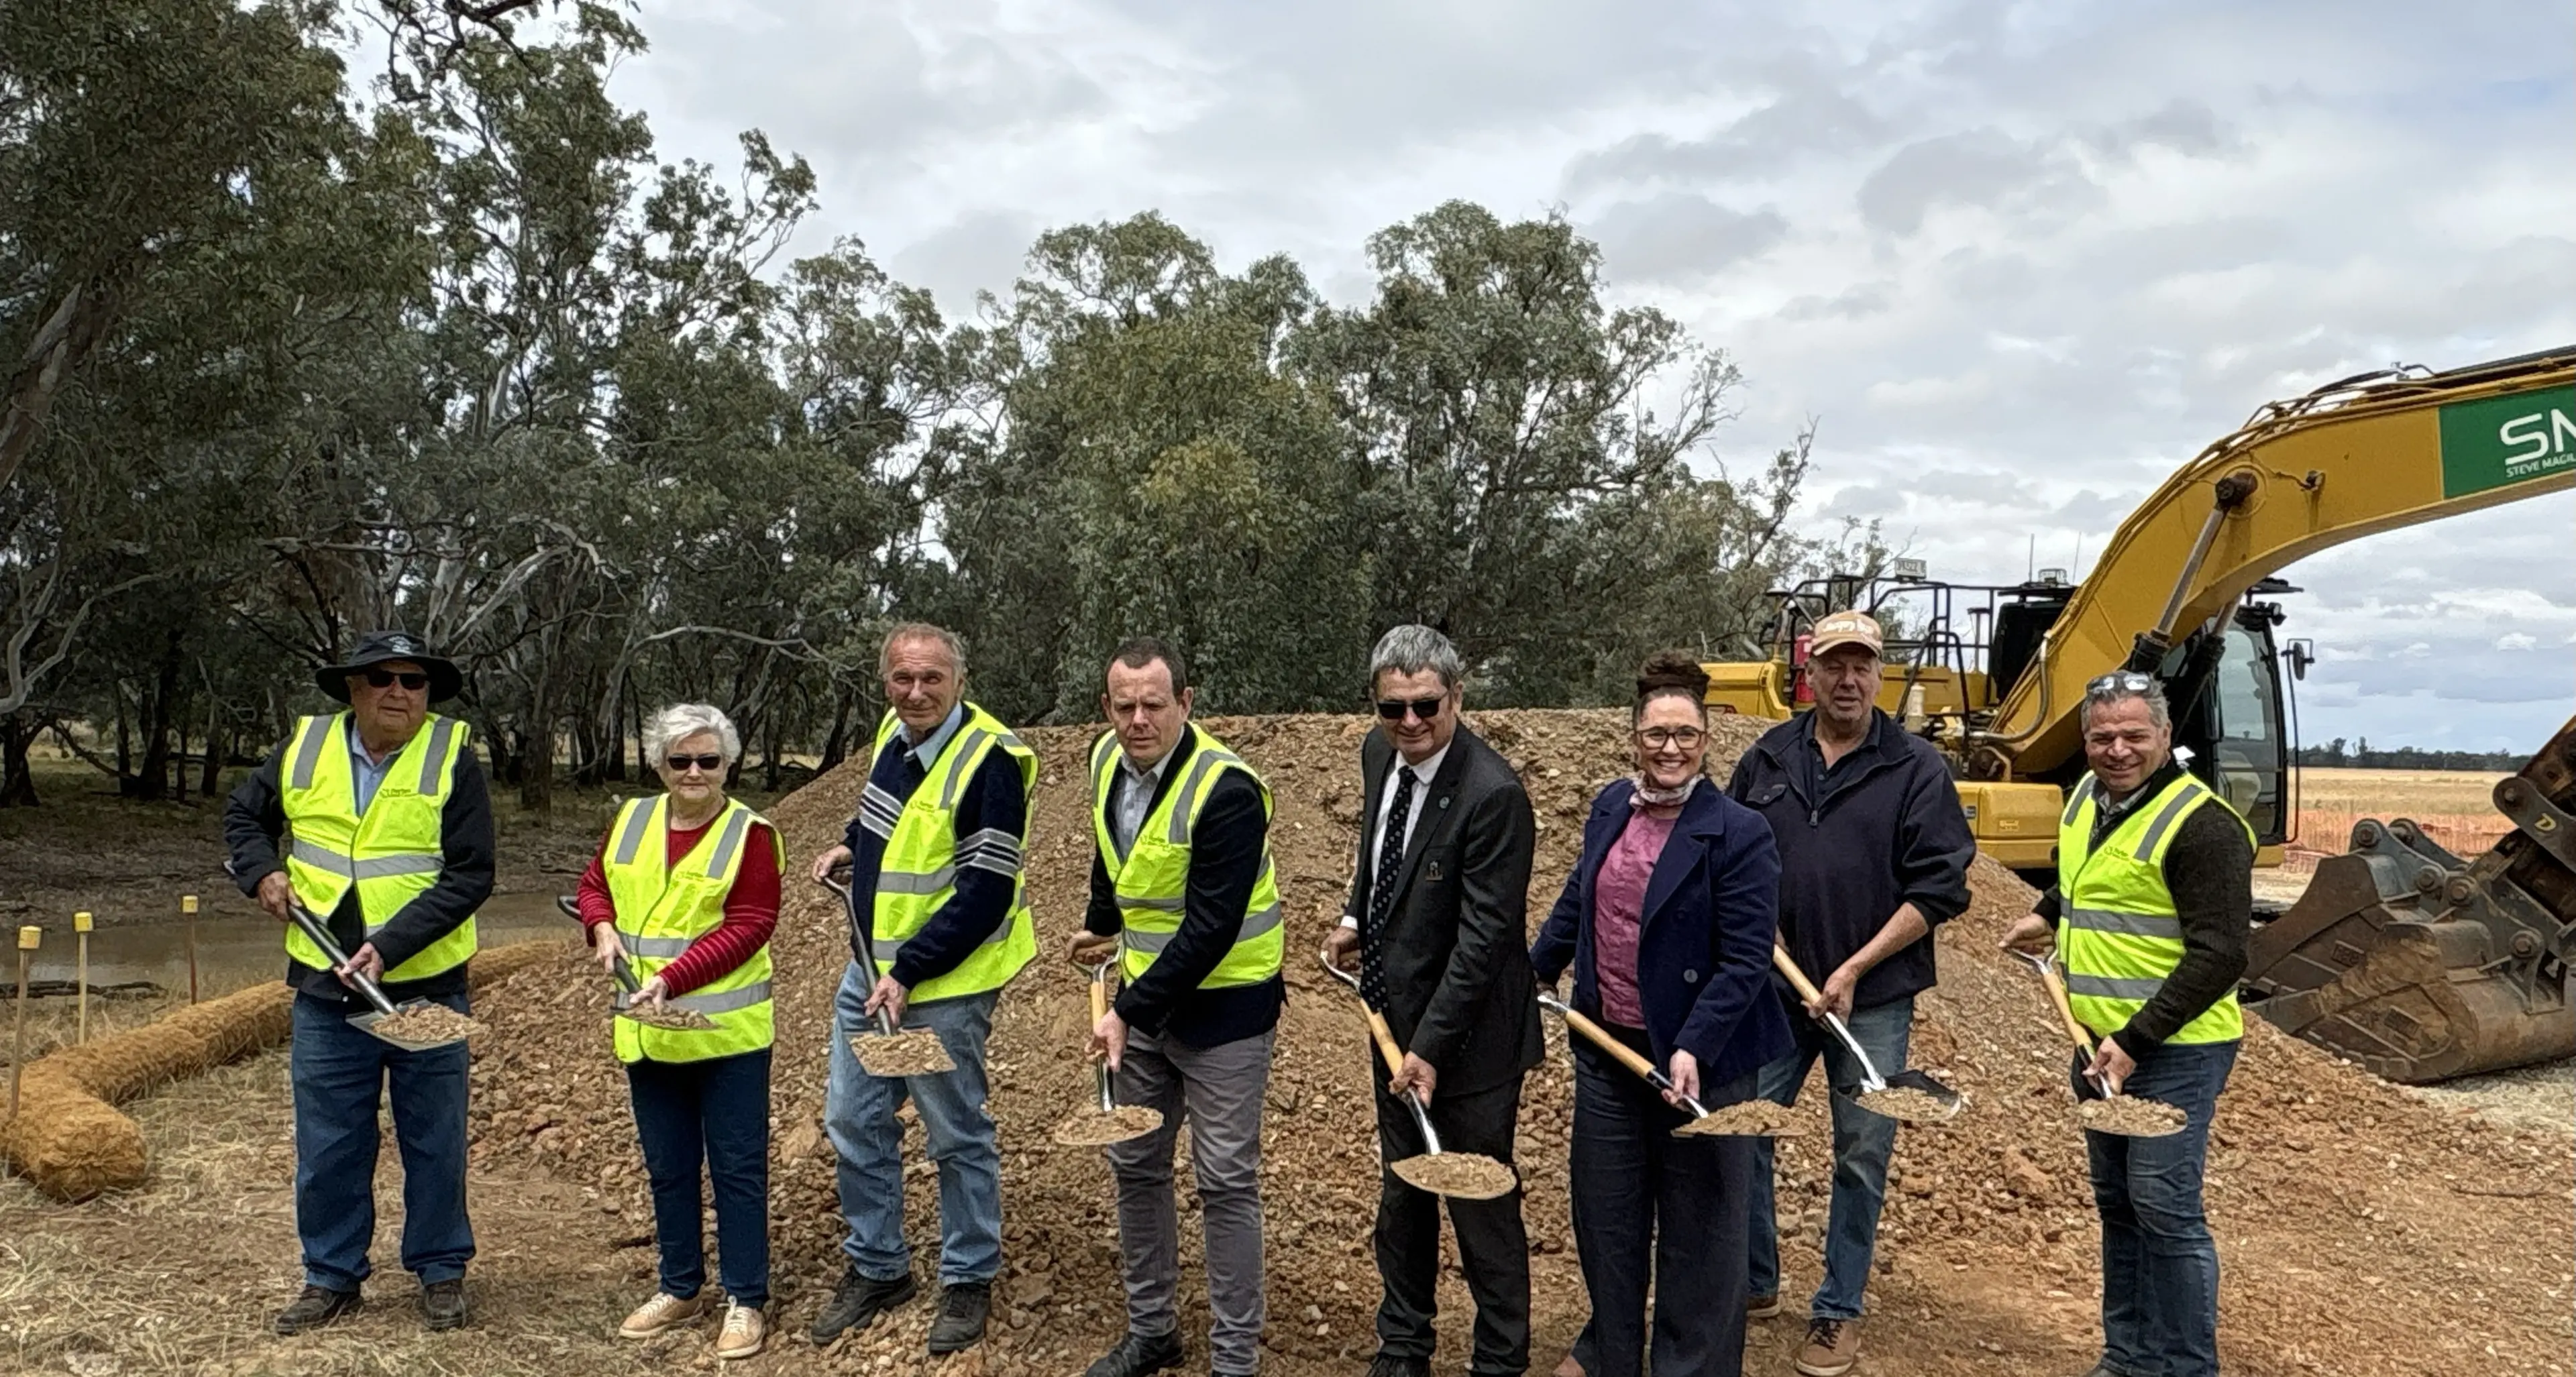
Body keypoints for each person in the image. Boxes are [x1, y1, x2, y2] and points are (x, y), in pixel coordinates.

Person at [1725, 610, 1975, 1377]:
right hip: (1777, 990)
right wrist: (1754, 925)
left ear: (1879, 674)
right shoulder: (1769, 756)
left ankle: (1838, 1307)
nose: (1848, 679)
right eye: (1834, 664)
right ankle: (1755, 1279)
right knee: (1745, 1129)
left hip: (1873, 997)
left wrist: (1855, 968)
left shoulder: (1917, 768)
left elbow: (1940, 887)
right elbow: (1730, 854)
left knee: (1861, 1153)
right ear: (1811, 674)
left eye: (1862, 664)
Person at [221, 630, 492, 1335]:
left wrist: (390, 945)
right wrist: (261, 871)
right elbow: (243, 816)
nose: (398, 692)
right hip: (323, 987)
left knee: (435, 1137)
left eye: (414, 681)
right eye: (382, 678)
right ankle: (331, 1275)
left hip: (426, 982)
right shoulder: (305, 747)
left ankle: (440, 1269)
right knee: (330, 1142)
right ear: (352, 687)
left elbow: (472, 872)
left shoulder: (452, 755)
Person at [1531, 653, 1793, 1377]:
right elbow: (1580, 897)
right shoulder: (1611, 807)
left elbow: (1747, 958)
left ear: (1706, 742)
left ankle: (1692, 1365)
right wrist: (1536, 967)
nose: (1670, 748)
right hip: (1610, 1051)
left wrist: (1695, 1045)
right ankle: (1611, 1353)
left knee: (1701, 1231)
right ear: (1634, 738)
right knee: (1608, 1219)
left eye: (1685, 735)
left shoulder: (1739, 832)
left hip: (1704, 1064)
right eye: (1656, 734)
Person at [2002, 673, 2251, 1377]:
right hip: (2094, 1043)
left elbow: (2222, 954)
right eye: (2102, 736)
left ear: (2165, 736)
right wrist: (2047, 913)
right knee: (2119, 1204)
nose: (2117, 750)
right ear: (2085, 740)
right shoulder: (2088, 797)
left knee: (2164, 1208)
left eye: (2134, 735)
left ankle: (2186, 1365)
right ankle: (2130, 1357)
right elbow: (2084, 879)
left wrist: (2136, 1041)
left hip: (2175, 1049)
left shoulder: (2203, 827)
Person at [806, 623, 1036, 1356]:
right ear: (886, 683)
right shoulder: (895, 733)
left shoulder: (991, 761)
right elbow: (887, 816)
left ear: (960, 681)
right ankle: (879, 1266)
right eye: (902, 678)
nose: (916, 692)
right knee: (853, 1117)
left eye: (931, 678)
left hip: (943, 986)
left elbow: (986, 892)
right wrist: (850, 841)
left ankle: (969, 1274)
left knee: (954, 1131)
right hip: (870, 972)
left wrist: (909, 970)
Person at [1322, 624, 1544, 1377]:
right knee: (1404, 1196)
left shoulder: (1494, 795)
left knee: (1480, 1205)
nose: (1410, 722)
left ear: (1457, 696)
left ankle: (1500, 1359)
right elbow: (1378, 849)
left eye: (1426, 705)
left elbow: (1485, 942)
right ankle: (1404, 1347)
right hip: (1392, 1020)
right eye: (1393, 708)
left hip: (1471, 1043)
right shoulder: (1377, 752)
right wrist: (1356, 919)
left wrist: (1430, 1048)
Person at [1069, 639, 1284, 1377]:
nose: (1139, 720)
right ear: (1106, 707)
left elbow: (1211, 928)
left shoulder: (1227, 791)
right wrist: (1101, 919)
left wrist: (1126, 1009)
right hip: (1146, 1005)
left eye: (1154, 705)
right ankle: (1153, 1329)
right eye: (1124, 705)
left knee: (1224, 1180)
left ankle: (1234, 1360)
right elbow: (1115, 849)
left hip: (1226, 1013)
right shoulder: (1105, 758)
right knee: (1135, 1162)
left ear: (1185, 703)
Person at [575, 704, 783, 1361]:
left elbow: (751, 922)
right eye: (680, 760)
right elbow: (594, 884)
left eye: (708, 760)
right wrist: (600, 924)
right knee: (668, 1167)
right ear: (660, 765)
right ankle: (681, 1285)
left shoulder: (751, 833)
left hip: (726, 1035)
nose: (694, 772)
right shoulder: (633, 819)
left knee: (737, 1169)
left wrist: (674, 976)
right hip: (650, 1031)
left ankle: (745, 1297)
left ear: (728, 764)